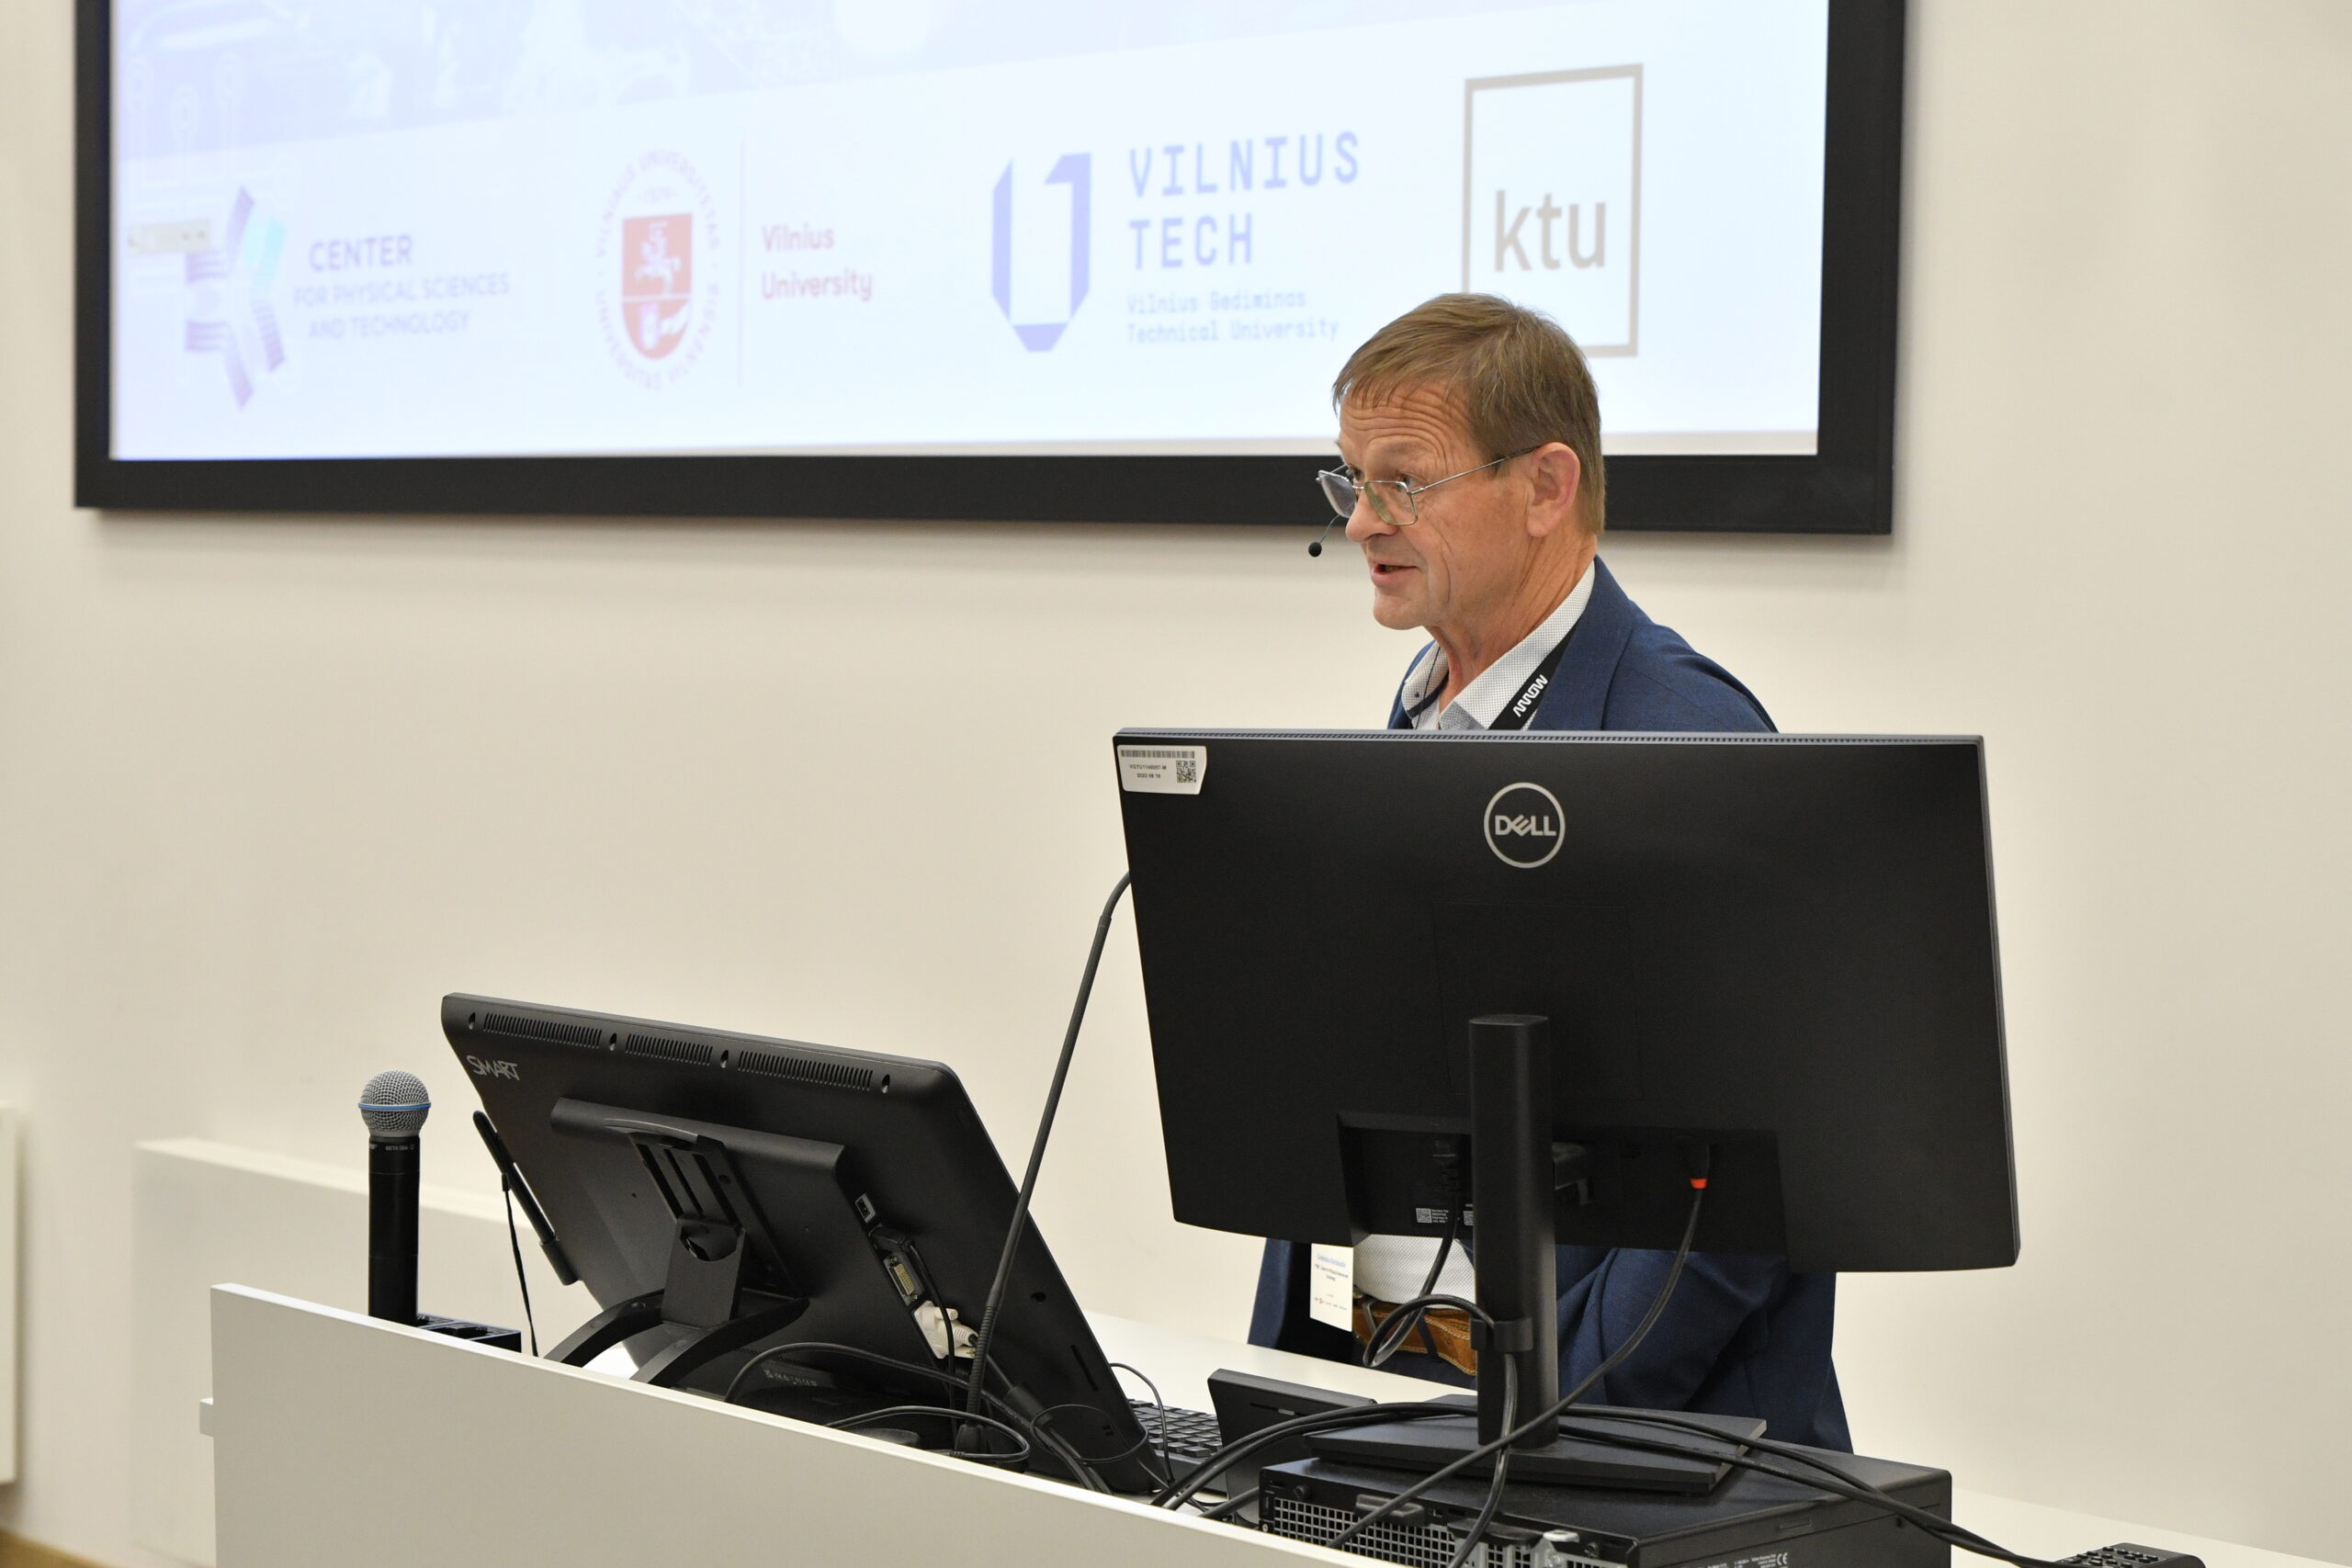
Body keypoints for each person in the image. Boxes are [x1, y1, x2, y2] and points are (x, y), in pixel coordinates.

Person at [1247, 292, 1850, 1452]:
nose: (1362, 522)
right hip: (1399, 1417)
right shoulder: (1428, 709)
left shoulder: (1685, 739)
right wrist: (1303, 1383)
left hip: (1617, 1453)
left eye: (1402, 483)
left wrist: (1558, 1414)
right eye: (1350, 481)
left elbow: (1739, 1189)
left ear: (1545, 487)